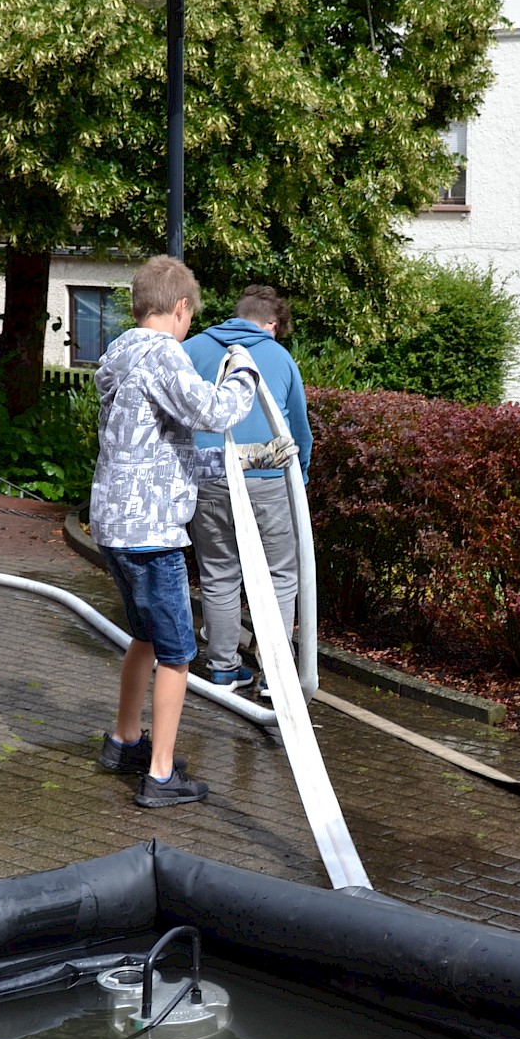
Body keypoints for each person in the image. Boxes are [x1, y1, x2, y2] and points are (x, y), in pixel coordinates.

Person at [89, 255, 279, 807]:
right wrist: (245, 370)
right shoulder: (160, 354)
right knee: (175, 654)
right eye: (190, 318)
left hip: (115, 524)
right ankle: (162, 775)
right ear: (179, 308)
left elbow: (158, 450)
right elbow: (216, 412)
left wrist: (240, 461)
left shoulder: (120, 355)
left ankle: (125, 742)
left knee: (145, 638)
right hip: (153, 534)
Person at [184, 285, 311, 699]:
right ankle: (275, 677)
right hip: (267, 480)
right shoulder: (278, 356)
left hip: (209, 475)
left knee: (219, 573)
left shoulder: (195, 348)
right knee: (279, 575)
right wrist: (301, 477)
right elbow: (298, 429)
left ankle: (222, 670)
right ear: (271, 324)